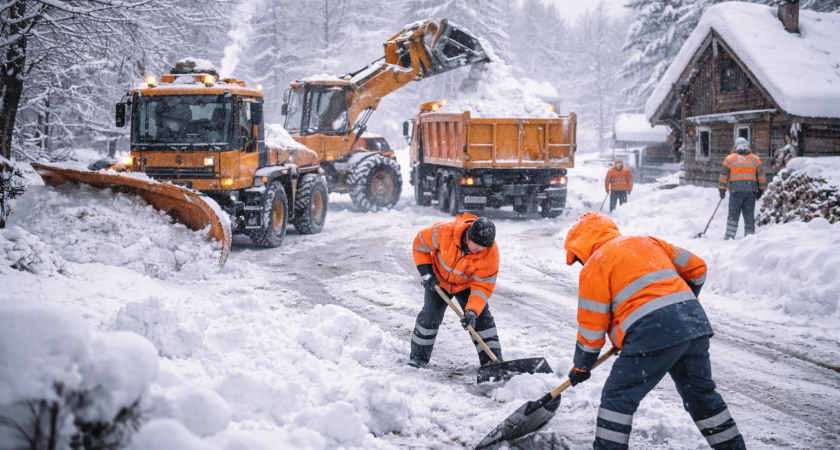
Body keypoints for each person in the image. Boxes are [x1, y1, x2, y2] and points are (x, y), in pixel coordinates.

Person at [563, 212, 745, 450]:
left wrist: (582, 366)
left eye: (577, 257)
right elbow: (698, 269)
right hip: (693, 325)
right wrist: (678, 307)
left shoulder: (595, 264)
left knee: (618, 398)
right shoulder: (649, 242)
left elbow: (591, 328)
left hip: (652, 333)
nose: (581, 262)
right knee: (702, 396)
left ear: (581, 245)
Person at [409, 214, 501, 368]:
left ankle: (493, 363)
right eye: (477, 245)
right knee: (429, 317)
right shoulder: (445, 232)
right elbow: (419, 244)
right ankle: (418, 358)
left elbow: (483, 285)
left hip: (467, 285)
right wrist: (427, 273)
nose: (480, 250)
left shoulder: (489, 253)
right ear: (468, 237)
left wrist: (472, 310)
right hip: (439, 281)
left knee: (481, 320)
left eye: (484, 246)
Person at [719, 137, 766, 239]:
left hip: (736, 193)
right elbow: (761, 176)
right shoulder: (755, 159)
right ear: (747, 146)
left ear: (735, 147)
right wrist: (761, 189)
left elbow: (723, 176)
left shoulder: (729, 159)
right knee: (749, 216)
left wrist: (722, 189)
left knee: (733, 215)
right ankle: (749, 238)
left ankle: (729, 236)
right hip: (751, 193)